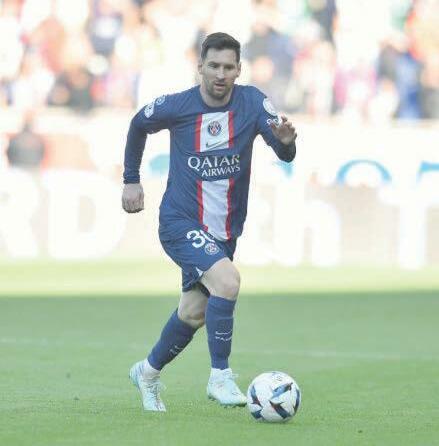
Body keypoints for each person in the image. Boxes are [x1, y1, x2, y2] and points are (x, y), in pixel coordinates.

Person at [122, 32, 297, 412]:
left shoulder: (252, 103)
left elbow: (284, 152)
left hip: (223, 231)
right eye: (213, 66)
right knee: (228, 281)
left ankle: (147, 373)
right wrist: (131, 179)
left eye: (228, 67)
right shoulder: (177, 105)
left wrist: (286, 143)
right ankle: (220, 376)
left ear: (239, 70)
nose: (220, 73)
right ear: (200, 67)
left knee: (193, 312)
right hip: (179, 220)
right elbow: (137, 124)